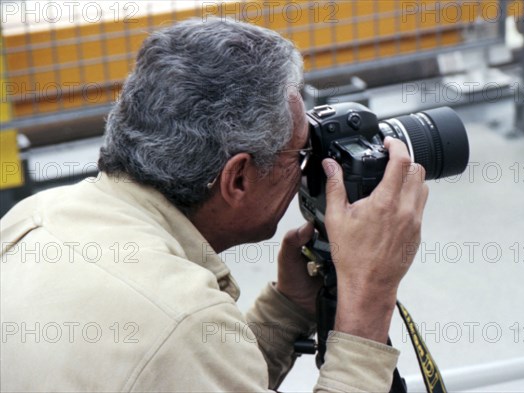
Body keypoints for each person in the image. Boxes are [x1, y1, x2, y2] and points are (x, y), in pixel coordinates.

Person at [0, 18, 428, 392]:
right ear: (237, 178)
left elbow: (180, 375)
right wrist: (368, 300)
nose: (308, 171)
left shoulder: (36, 217)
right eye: (299, 155)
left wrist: (288, 308)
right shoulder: (183, 320)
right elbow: (177, 343)